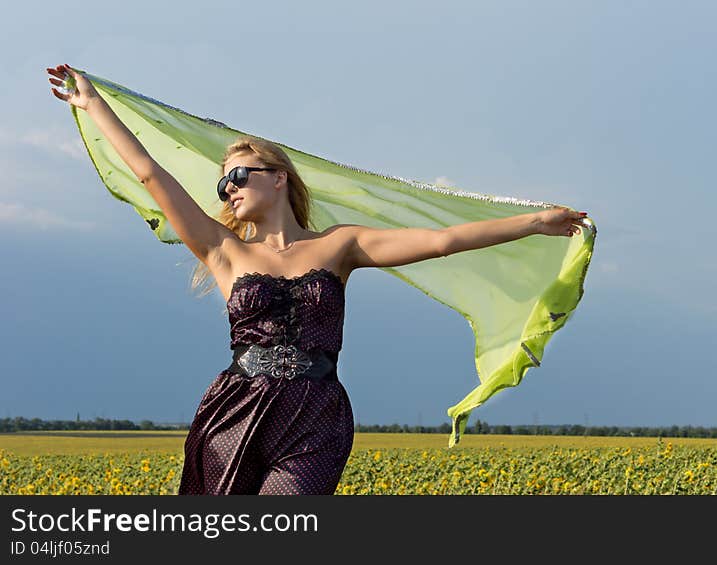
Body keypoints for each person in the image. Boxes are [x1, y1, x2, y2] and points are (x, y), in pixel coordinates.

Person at [47, 63, 589, 495]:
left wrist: (534, 223)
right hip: (236, 407)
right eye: (221, 186)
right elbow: (150, 174)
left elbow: (443, 241)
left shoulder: (341, 245)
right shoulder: (223, 250)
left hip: (316, 412)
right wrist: (93, 104)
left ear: (278, 177)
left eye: (237, 176)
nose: (228, 191)